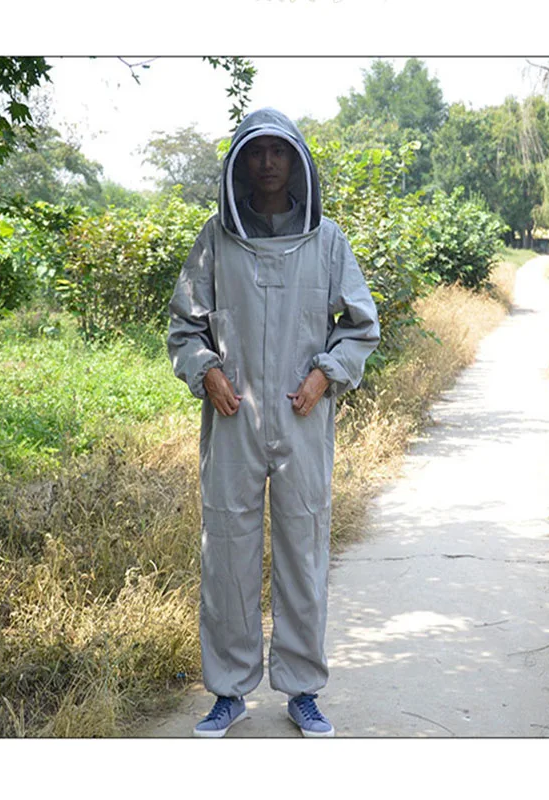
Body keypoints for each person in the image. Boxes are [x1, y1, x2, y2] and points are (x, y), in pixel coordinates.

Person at [167, 107, 380, 738]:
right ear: (239, 162)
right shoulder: (216, 238)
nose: (267, 163)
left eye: (278, 152)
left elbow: (360, 326)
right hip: (232, 415)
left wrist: (324, 375)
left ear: (296, 162)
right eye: (256, 151)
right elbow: (184, 326)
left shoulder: (327, 241)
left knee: (303, 548)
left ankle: (302, 689)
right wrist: (206, 371)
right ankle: (228, 691)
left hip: (301, 415)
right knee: (226, 552)